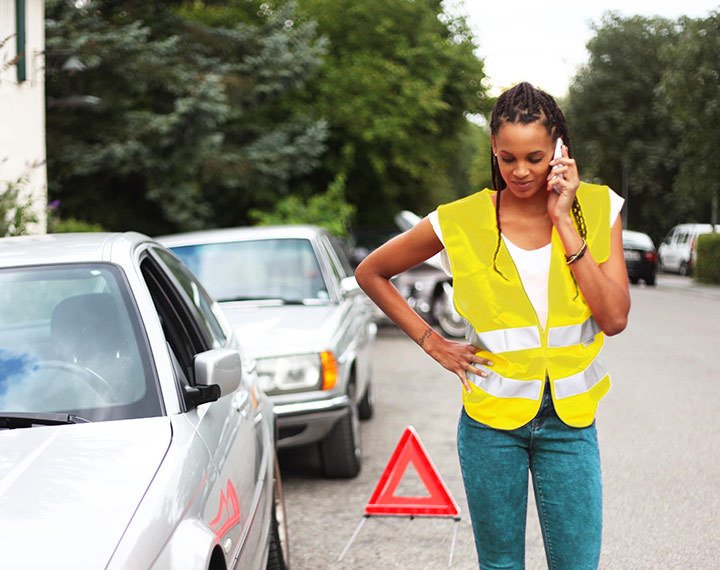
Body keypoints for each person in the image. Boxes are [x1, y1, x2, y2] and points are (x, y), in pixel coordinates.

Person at [355, 82, 630, 569]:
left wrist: (565, 221)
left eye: (535, 156)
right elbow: (371, 272)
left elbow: (614, 317)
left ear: (561, 150)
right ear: (493, 150)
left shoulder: (599, 206)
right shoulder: (459, 220)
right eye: (508, 158)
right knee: (500, 566)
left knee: (578, 564)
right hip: (489, 424)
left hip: (569, 423)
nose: (520, 171)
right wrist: (432, 341)